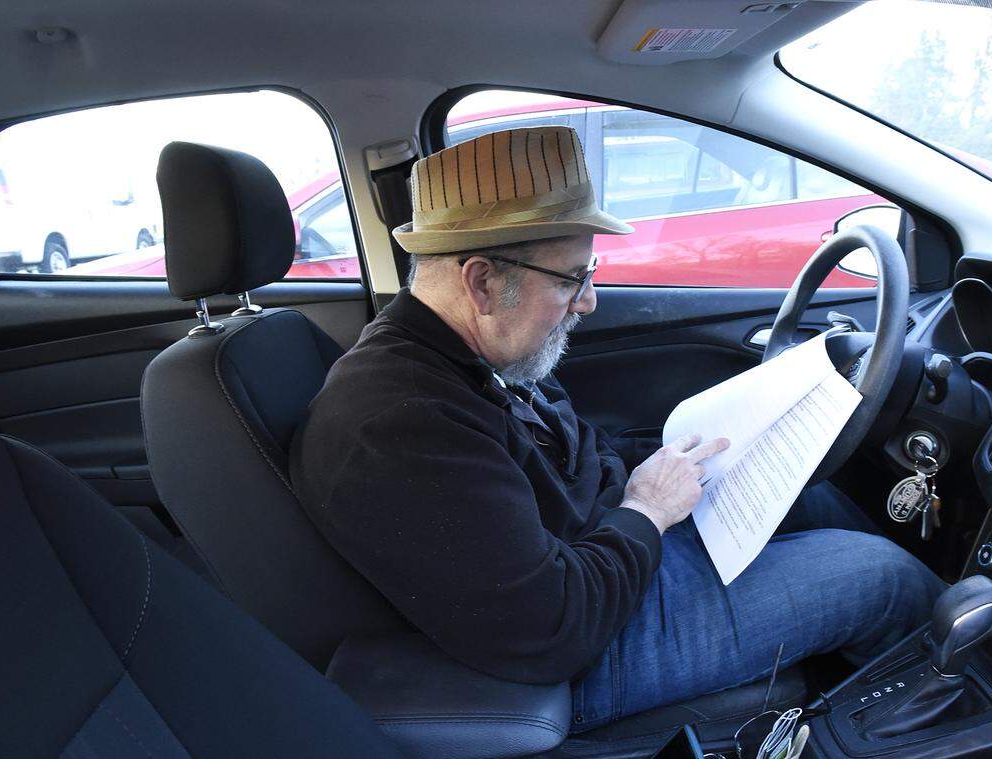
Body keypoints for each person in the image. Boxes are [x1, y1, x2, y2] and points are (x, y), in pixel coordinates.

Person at [290, 126, 940, 731]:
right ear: (483, 282)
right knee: (882, 576)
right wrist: (647, 510)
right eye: (574, 278)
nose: (590, 299)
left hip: (605, 559)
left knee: (813, 494)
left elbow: (572, 462)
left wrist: (683, 463)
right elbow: (551, 628)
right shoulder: (399, 422)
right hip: (587, 640)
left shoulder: (479, 355)